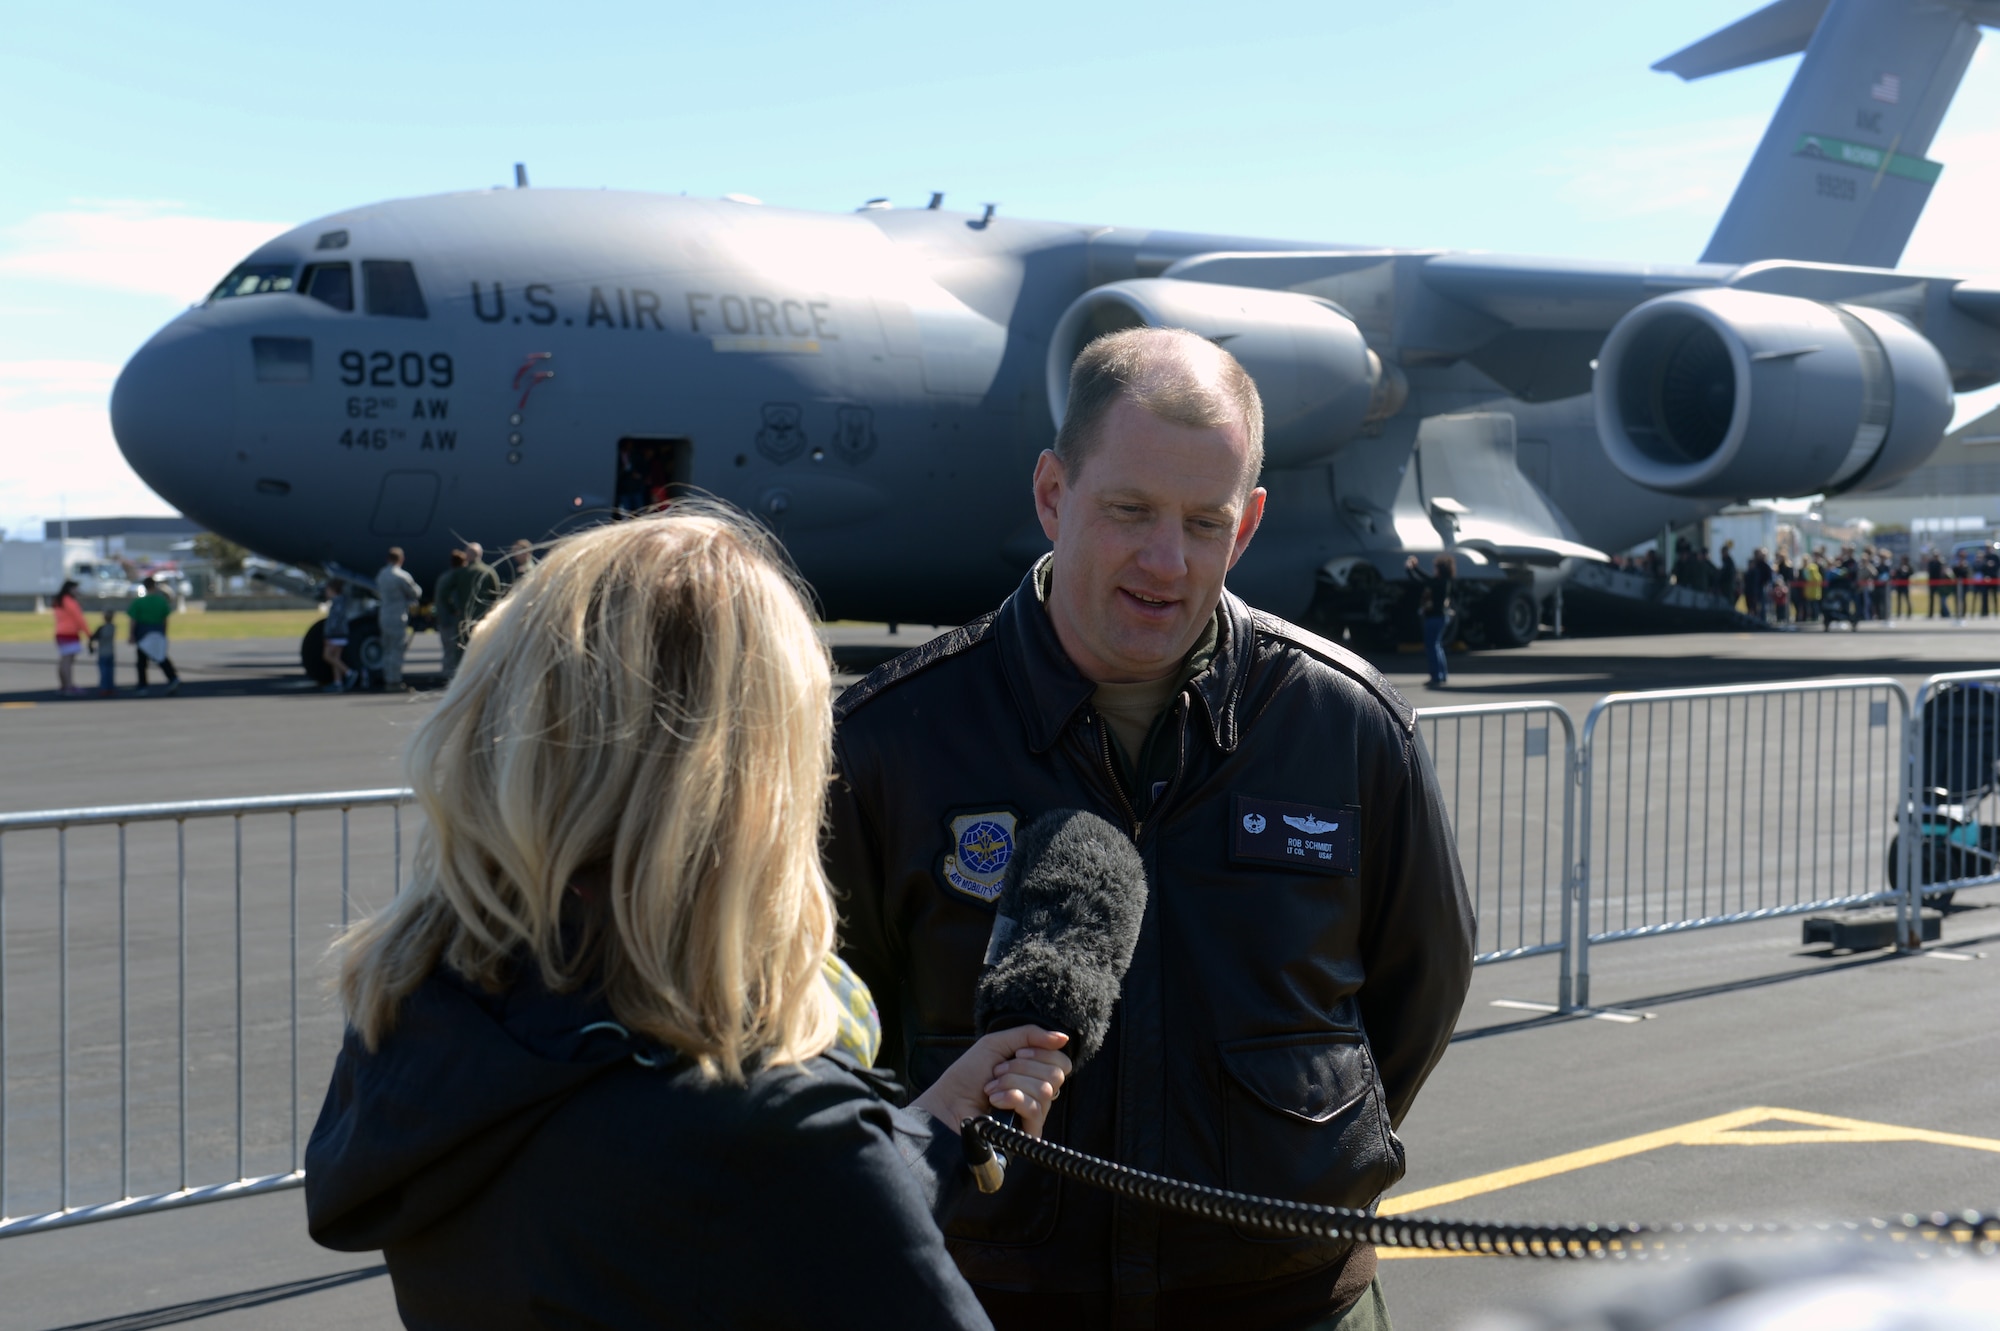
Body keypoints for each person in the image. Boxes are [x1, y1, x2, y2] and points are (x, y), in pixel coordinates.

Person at [828, 327, 1475, 1331]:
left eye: (1202, 521)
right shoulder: (888, 743)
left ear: (1248, 523)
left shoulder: (1343, 726)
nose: (1164, 560)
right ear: (1052, 495)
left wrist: (1295, 1156)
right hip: (986, 1301)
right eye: (1128, 510)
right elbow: (827, 1037)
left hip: (1287, 1304)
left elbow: (1417, 987)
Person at [306, 510, 1071, 1329]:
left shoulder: (427, 1030)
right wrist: (850, 1147)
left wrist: (934, 1131)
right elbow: (768, 1183)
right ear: (751, 782)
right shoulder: (785, 1139)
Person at [374, 547, 421, 691]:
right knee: (396, 649)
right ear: (401, 559)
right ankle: (394, 682)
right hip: (397, 616)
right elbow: (416, 592)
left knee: (387, 649)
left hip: (384, 615)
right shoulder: (401, 576)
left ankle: (387, 678)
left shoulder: (381, 574)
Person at [1406, 552, 1456, 686]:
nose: (1434, 570)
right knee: (1437, 646)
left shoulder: (1437, 583)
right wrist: (1415, 568)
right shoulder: (1444, 582)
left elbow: (1420, 580)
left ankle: (1436, 676)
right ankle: (1442, 674)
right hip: (1441, 618)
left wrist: (1410, 569)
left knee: (1431, 647)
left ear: (1440, 569)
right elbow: (1427, 578)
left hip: (1434, 618)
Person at [128, 576, 180, 696]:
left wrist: (131, 634)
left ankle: (143, 686)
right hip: (157, 631)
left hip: (143, 633)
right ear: (154, 586)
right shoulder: (161, 601)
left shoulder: (139, 602)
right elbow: (165, 619)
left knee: (142, 661)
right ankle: (172, 677)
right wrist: (164, 633)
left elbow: (133, 620)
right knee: (160, 656)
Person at [432, 549, 471, 682]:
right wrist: (455, 611)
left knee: (447, 650)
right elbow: (451, 598)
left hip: (443, 620)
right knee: (454, 650)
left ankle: (447, 675)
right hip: (452, 621)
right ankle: (451, 678)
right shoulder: (456, 577)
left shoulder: (444, 577)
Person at [52, 579, 87, 697]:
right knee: (67, 661)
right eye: (75, 588)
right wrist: (89, 633)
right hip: (69, 633)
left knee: (63, 660)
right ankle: (69, 686)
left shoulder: (59, 601)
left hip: (61, 633)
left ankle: (64, 685)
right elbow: (79, 619)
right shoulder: (70, 602)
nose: (77, 591)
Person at [462, 541, 503, 633]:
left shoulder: (460, 573)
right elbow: (496, 593)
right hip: (483, 615)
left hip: (463, 616)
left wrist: (453, 610)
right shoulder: (488, 571)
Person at [322, 579, 354, 693]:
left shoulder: (337, 603)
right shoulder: (341, 601)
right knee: (336, 659)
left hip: (336, 635)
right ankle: (338, 683)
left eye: (328, 590)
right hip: (340, 634)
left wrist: (328, 635)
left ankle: (349, 673)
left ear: (333, 590)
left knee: (327, 656)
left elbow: (334, 622)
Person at [90, 609, 118, 696]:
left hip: (102, 652)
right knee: (110, 671)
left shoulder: (102, 628)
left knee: (104, 671)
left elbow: (93, 638)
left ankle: (104, 688)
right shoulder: (113, 627)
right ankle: (110, 687)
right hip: (110, 651)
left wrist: (91, 647)